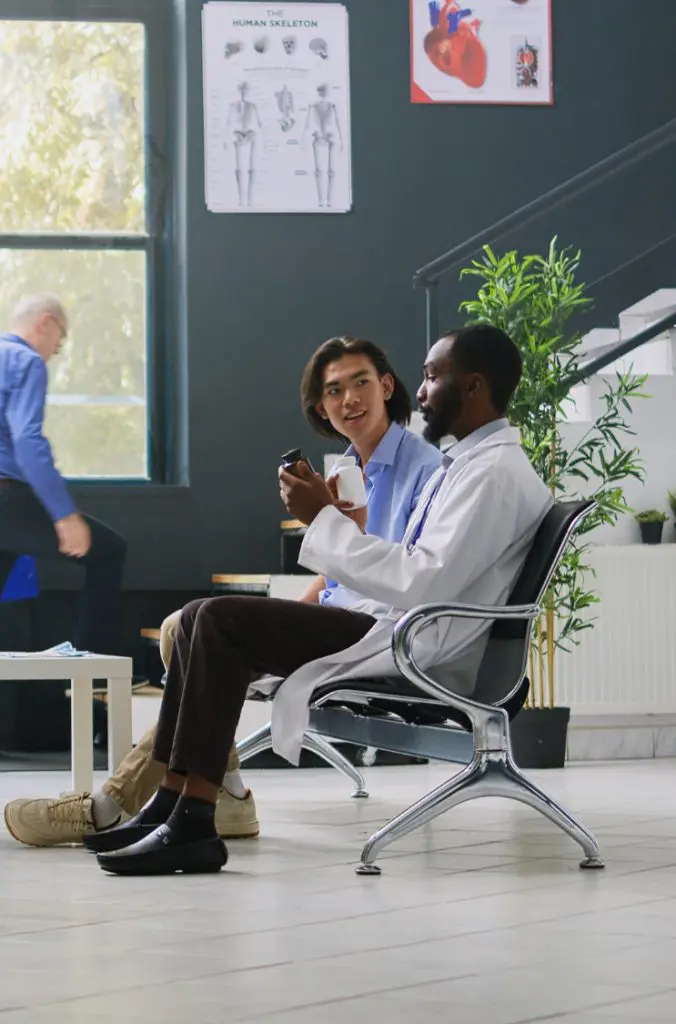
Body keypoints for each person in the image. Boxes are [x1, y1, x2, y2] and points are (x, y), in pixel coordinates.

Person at [91, 324, 552, 877]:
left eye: (432, 376)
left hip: (417, 642)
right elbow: (418, 567)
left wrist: (323, 520)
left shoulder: (492, 473)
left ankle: (192, 820)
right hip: (398, 623)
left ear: (473, 386)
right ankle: (170, 804)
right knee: (195, 618)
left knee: (215, 619)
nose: (422, 391)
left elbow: (420, 581)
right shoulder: (472, 465)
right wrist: (341, 526)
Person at [4, 336, 441, 848]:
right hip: (340, 617)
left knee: (203, 627)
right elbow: (340, 572)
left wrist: (323, 526)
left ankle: (112, 804)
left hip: (379, 631)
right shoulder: (346, 466)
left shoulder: (423, 468)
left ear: (387, 385)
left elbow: (398, 576)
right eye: (333, 390)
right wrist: (290, 616)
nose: (349, 399)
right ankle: (227, 791)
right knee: (179, 628)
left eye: (361, 382)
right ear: (320, 407)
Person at [0, 294, 126, 657]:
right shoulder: (25, 361)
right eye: (61, 337)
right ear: (45, 322)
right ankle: (94, 672)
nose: (57, 350)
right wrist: (63, 514)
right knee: (109, 552)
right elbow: (27, 441)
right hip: (7, 497)